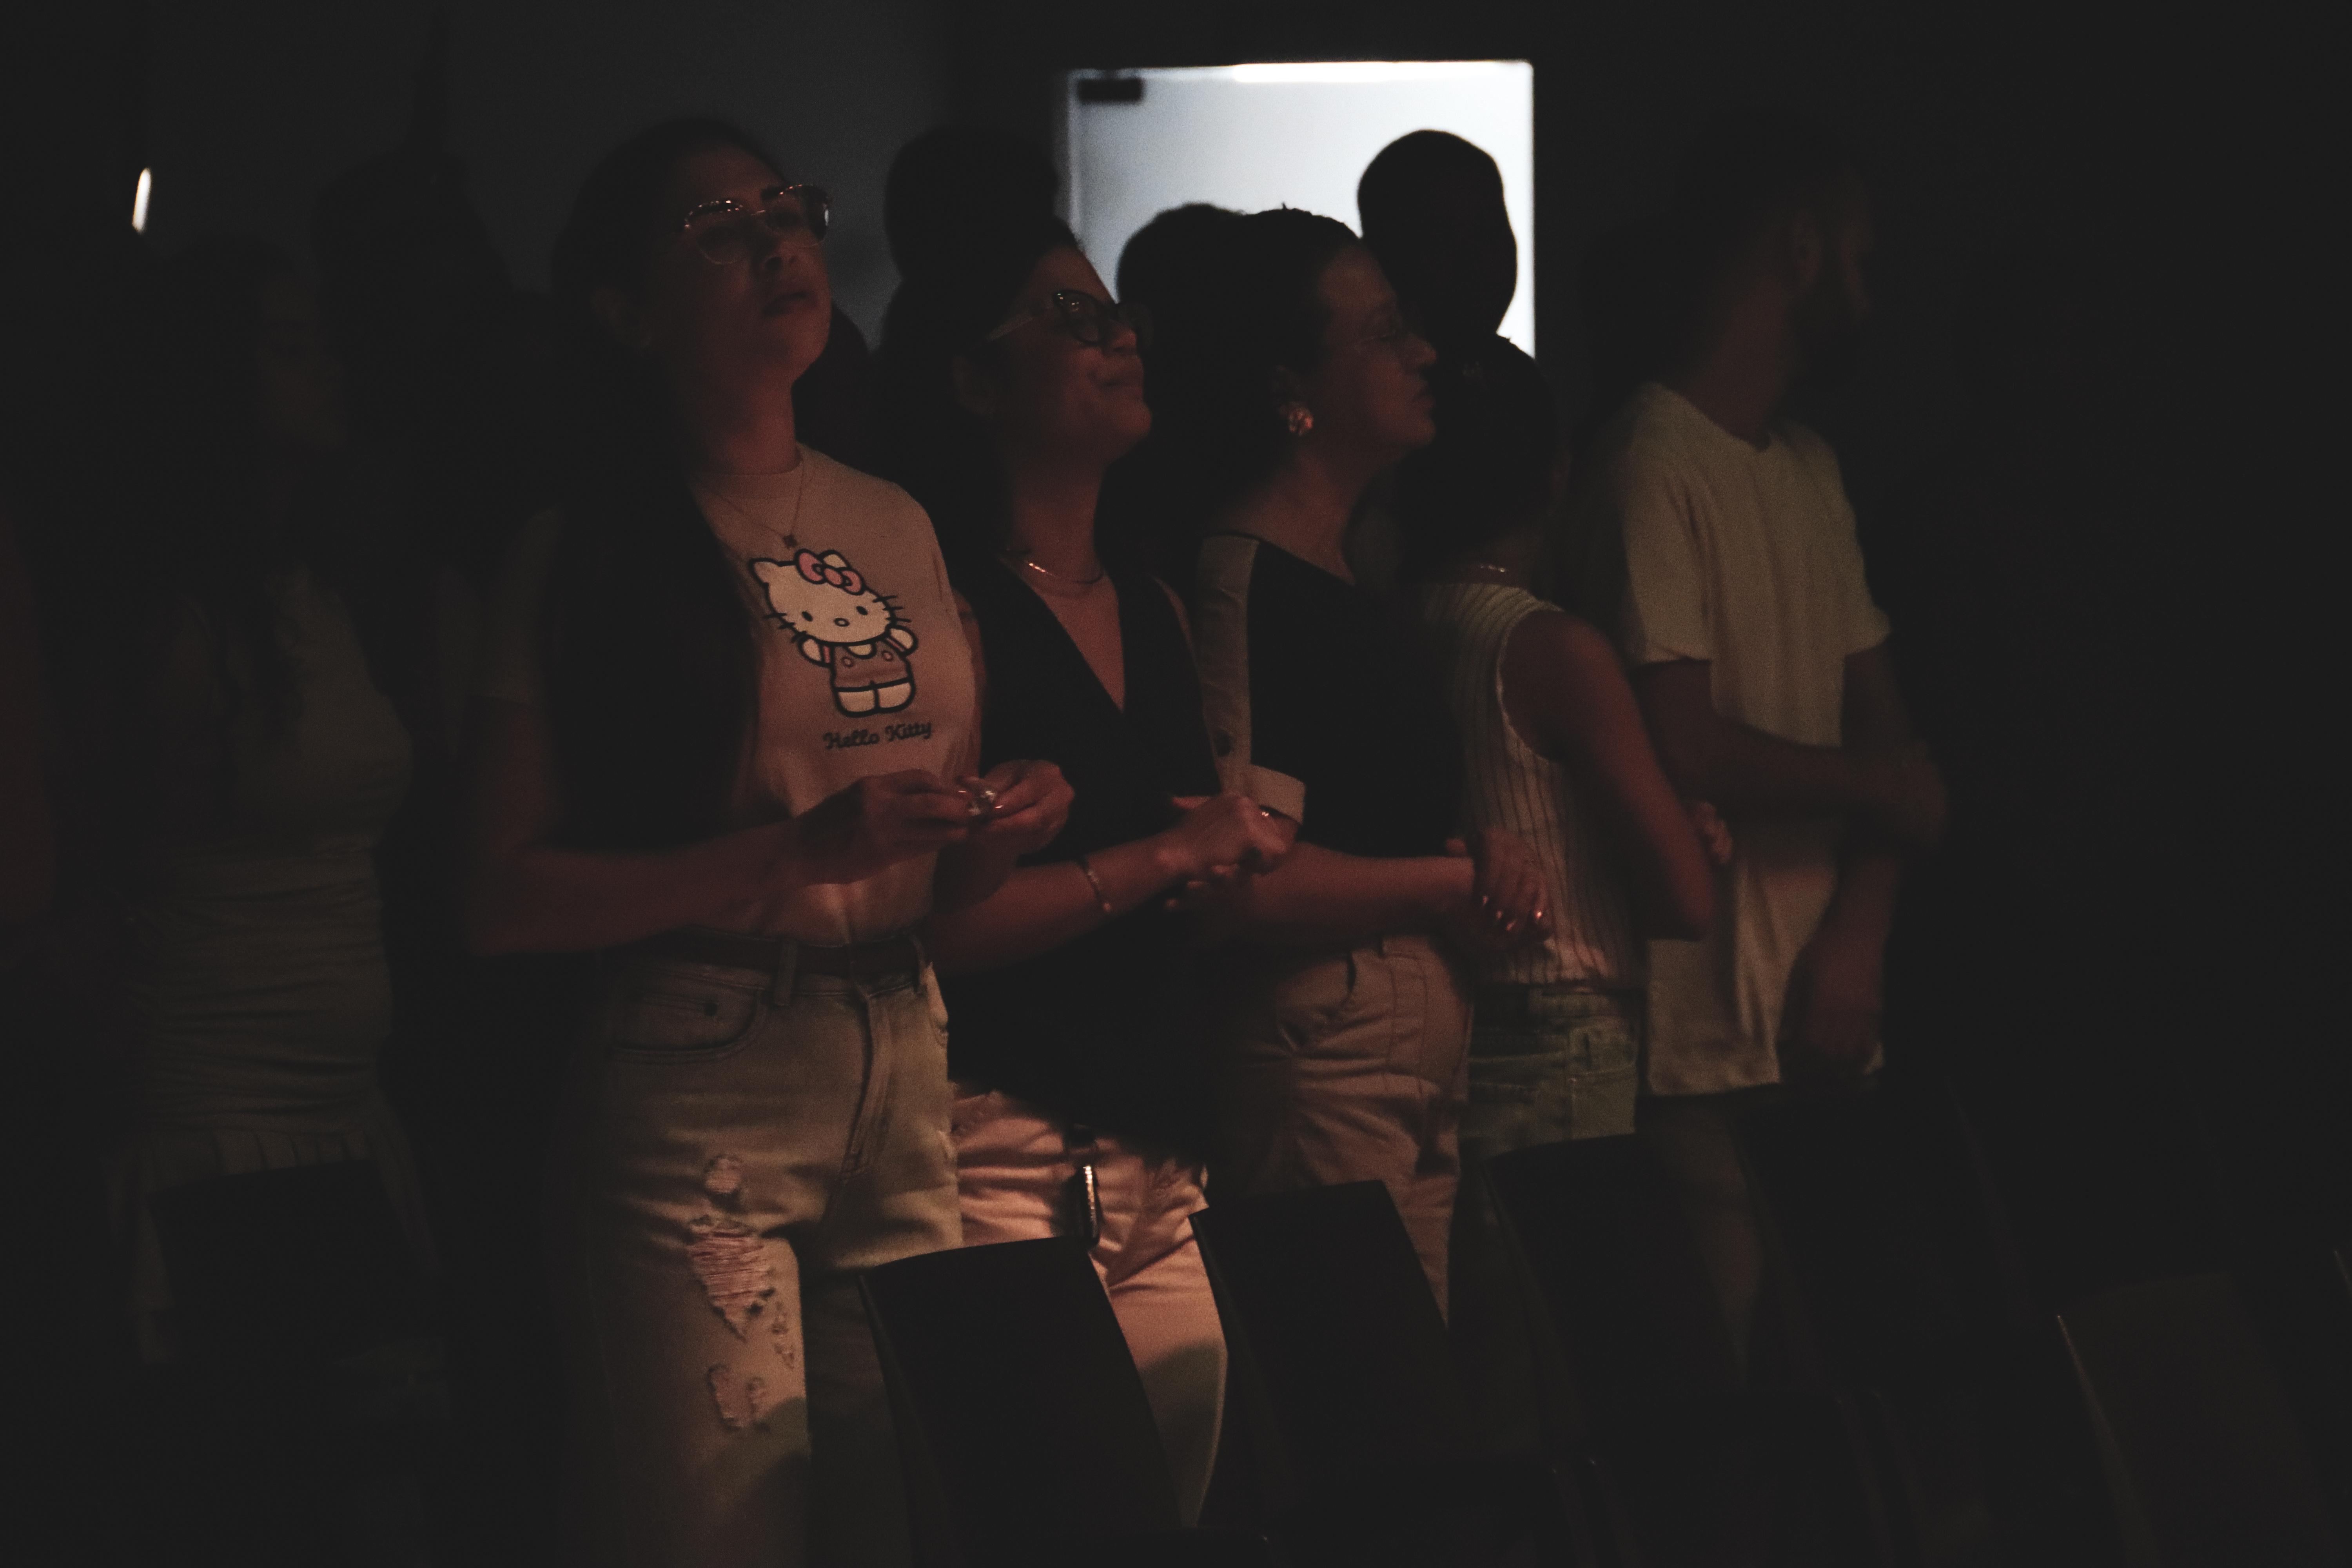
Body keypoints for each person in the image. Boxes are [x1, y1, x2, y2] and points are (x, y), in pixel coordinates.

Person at [462, 119, 1068, 1567]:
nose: (777, 245)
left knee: (903, 1521)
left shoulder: (894, 520)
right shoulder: (589, 547)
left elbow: (936, 879)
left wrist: (1001, 823)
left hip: (900, 1050)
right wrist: (792, 854)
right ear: (629, 314)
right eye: (719, 231)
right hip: (704, 1074)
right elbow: (497, 897)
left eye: (786, 213)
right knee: (722, 1531)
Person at [878, 211, 1290, 1519]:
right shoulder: (948, 612)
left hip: (1164, 1154)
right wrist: (1169, 851)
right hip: (1005, 1146)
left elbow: (1191, 888)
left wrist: (1220, 866)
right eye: (1070, 315)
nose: (1119, 337)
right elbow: (936, 927)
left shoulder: (1151, 603)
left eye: (1118, 314)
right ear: (972, 379)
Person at [1551, 112, 1947, 1367]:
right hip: (1700, 1036)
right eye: (1860, 257)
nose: (1871, 291)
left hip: (1824, 1020)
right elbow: (1689, 746)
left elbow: (1897, 751)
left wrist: (1859, 939)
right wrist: (1877, 788)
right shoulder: (1649, 461)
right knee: (1721, 1391)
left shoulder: (1809, 466)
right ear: (1801, 245)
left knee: (1844, 1382)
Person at [1146, 207, 1544, 1304]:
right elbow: (1239, 876)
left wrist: (1472, 853)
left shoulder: (1346, 569)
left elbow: (1362, 810)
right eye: (1382, 333)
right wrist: (1449, 882)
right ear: (1293, 389)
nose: (1425, 354)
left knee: (1403, 1373)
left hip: (1395, 1033)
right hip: (1324, 1039)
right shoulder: (1247, 579)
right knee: (1358, 1375)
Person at [1396, 338, 1727, 1442]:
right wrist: (1687, 834)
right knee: (1559, 1380)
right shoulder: (1551, 647)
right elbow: (1683, 897)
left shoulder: (1395, 620)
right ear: (1557, 474)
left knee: (1483, 1366)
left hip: (1445, 1022)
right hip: (1563, 1033)